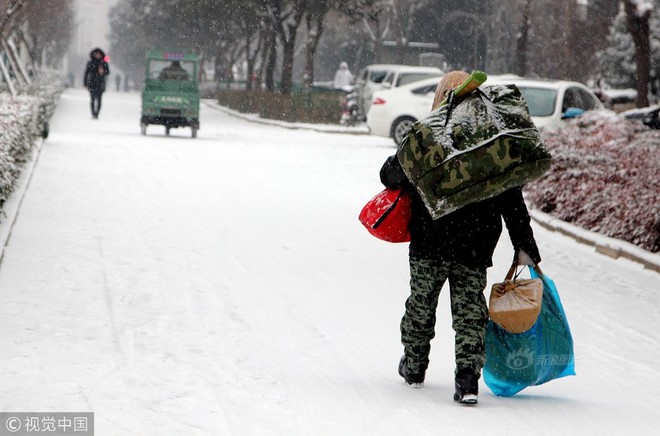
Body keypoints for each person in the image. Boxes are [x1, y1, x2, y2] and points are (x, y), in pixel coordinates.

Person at [379, 71, 542, 405]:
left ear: (441, 96)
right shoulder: (493, 141)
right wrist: (523, 245)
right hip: (475, 244)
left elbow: (391, 175)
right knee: (470, 312)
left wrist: (404, 156)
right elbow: (511, 199)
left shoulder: (427, 134)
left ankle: (414, 366)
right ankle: (467, 379)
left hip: (430, 242)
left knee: (421, 305)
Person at [83, 48, 109, 119]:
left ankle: (97, 114)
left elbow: (107, 72)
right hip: (92, 84)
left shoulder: (103, 63)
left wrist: (103, 71)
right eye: (96, 54)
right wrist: (85, 82)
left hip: (100, 84)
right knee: (92, 99)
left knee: (99, 100)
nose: (98, 55)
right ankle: (93, 113)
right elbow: (86, 73)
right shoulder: (91, 63)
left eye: (99, 54)